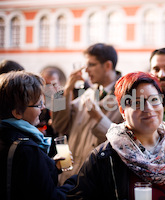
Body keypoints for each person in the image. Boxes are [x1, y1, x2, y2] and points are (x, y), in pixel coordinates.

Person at [66, 72, 165, 199]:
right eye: (137, 103)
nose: (148, 108)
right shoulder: (104, 158)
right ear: (122, 110)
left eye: (154, 100)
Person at [51, 43, 123, 184]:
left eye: (91, 65)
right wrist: (66, 90)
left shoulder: (126, 98)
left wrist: (98, 117)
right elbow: (59, 124)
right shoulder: (87, 94)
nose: (86, 70)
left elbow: (122, 143)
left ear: (108, 65)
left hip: (96, 181)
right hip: (69, 176)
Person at [0, 71, 71, 200]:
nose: (43, 107)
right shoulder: (27, 150)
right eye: (38, 104)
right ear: (17, 112)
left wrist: (49, 166)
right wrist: (80, 181)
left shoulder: (6, 134)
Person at [39, 66, 67, 157]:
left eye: (54, 84)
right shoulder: (36, 106)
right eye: (47, 84)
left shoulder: (63, 103)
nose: (50, 88)